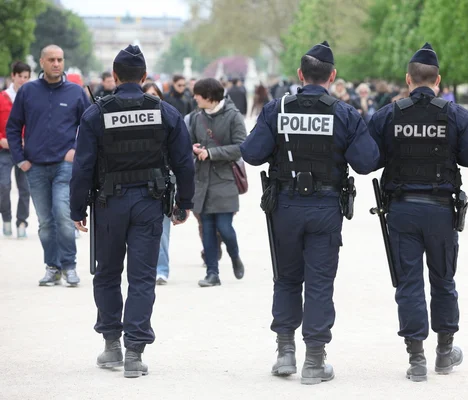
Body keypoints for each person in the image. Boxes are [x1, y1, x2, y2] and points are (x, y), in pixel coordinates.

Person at [241, 41, 380, 385]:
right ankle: (315, 361)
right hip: (324, 207)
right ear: (332, 76)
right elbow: (366, 162)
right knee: (319, 282)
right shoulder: (345, 113)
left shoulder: (278, 109)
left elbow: (252, 154)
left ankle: (285, 352)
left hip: (285, 206)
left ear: (301, 75)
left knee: (286, 278)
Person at [69, 45, 195, 377]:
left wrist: (76, 207)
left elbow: (82, 166)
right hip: (149, 204)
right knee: (142, 279)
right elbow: (184, 162)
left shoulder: (96, 113)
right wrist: (186, 203)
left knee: (107, 274)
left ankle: (112, 346)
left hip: (108, 204)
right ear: (144, 77)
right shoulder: (164, 111)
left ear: (113, 76)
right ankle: (134, 354)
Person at [368, 43, 468, 382]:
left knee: (408, 283)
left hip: (403, 211)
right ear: (438, 80)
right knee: (443, 281)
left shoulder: (389, 114)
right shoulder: (456, 114)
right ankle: (445, 352)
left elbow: (365, 161)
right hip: (440, 212)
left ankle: (416, 358)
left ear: (408, 79)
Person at [7, 45, 91, 286]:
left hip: (64, 165)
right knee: (45, 222)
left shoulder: (76, 92)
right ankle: (52, 267)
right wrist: (20, 159)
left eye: (60, 59)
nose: (56, 63)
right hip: (35, 167)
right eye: (51, 59)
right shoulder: (28, 92)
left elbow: (88, 127)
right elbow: (13, 127)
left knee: (63, 215)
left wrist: (76, 150)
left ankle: (70, 266)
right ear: (41, 62)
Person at [188, 78, 246, 287]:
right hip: (202, 180)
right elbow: (188, 143)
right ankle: (212, 273)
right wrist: (193, 149)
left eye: (198, 94)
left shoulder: (233, 116)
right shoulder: (196, 118)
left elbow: (241, 147)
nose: (194, 97)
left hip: (224, 180)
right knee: (207, 228)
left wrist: (211, 153)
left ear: (209, 97)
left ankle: (235, 255)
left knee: (225, 227)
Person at [142, 82, 172, 285]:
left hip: (164, 178)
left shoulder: (170, 119)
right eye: (148, 95)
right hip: (140, 179)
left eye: (156, 95)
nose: (153, 98)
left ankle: (161, 269)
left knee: (162, 228)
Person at [0, 61, 31, 239]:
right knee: (3, 185)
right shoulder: (2, 97)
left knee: (25, 188)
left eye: (26, 77)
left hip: (25, 150)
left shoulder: (31, 98)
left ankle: (21, 221)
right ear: (13, 76)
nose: (23, 80)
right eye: (20, 77)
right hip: (4, 150)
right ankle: (6, 218)